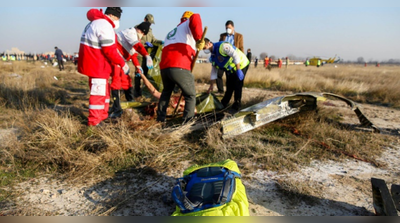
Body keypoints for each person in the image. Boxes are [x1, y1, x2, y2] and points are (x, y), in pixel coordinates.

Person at [78, 7, 129, 126]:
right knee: (98, 94)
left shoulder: (94, 23)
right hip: (97, 65)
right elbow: (109, 50)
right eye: (117, 18)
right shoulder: (104, 25)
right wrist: (122, 63)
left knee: (104, 93)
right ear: (112, 15)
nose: (117, 21)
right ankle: (94, 121)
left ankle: (102, 116)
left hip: (97, 65)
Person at [156, 11, 204, 124]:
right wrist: (198, 39)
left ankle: (160, 119)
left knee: (166, 93)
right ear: (187, 19)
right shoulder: (188, 23)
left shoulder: (172, 32)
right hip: (179, 66)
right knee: (190, 95)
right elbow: (196, 17)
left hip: (165, 68)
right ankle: (187, 123)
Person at [108, 22, 153, 118]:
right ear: (142, 32)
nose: (142, 35)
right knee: (116, 82)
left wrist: (137, 66)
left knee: (127, 82)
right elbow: (137, 46)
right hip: (115, 58)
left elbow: (133, 54)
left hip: (122, 61)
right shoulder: (130, 33)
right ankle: (116, 108)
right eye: (143, 33)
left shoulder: (136, 37)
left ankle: (130, 103)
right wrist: (147, 55)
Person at [203, 38, 249, 111]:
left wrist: (238, 70)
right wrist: (211, 85)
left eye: (204, 48)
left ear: (209, 44)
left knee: (237, 85)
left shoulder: (222, 47)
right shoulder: (213, 56)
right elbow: (214, 71)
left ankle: (237, 105)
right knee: (229, 86)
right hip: (231, 69)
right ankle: (224, 103)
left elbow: (235, 55)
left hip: (241, 64)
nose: (204, 50)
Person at [134, 14, 163, 98]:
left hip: (147, 55)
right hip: (139, 55)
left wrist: (161, 42)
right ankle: (137, 93)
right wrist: (144, 44)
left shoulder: (150, 30)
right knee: (138, 73)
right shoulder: (138, 28)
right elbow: (135, 41)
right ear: (145, 19)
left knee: (146, 73)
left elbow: (154, 40)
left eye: (151, 23)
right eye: (149, 22)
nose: (150, 24)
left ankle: (145, 92)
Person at [216, 20, 244, 94]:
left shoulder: (239, 36)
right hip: (223, 58)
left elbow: (241, 48)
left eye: (229, 28)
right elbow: (219, 45)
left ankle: (229, 92)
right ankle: (220, 90)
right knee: (218, 74)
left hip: (232, 59)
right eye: (226, 28)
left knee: (229, 77)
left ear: (233, 27)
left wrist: (240, 59)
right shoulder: (223, 36)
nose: (228, 29)